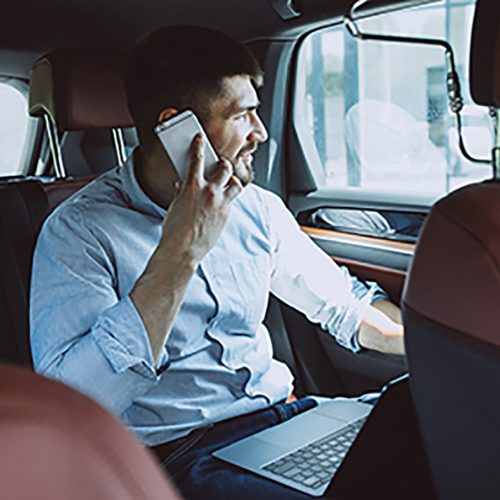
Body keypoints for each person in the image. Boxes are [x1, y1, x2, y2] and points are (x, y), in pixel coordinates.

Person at [30, 25, 404, 498]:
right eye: (243, 114)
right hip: (181, 456)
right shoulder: (79, 232)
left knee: (432, 439)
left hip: (290, 417)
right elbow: (76, 405)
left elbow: (344, 307)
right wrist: (180, 252)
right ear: (178, 126)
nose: (261, 132)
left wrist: (442, 352)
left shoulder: (257, 208)